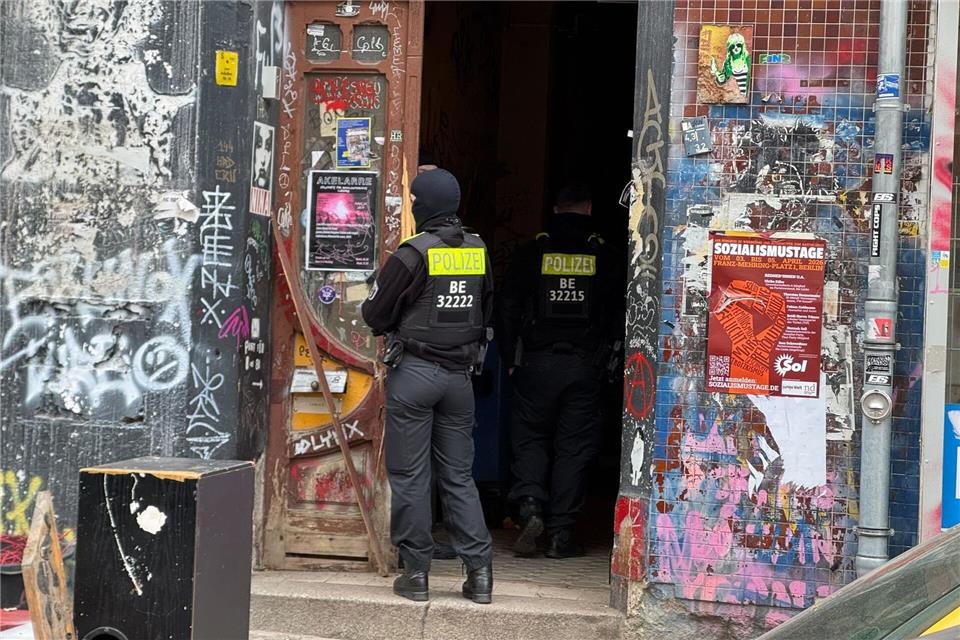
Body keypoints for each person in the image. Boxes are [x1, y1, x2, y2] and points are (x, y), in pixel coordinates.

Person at [361, 168, 494, 604]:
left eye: (415, 200)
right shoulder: (478, 249)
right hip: (459, 380)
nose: (413, 206)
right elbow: (486, 310)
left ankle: (416, 574)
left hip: (416, 375)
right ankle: (479, 575)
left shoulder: (413, 253)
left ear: (425, 206)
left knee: (411, 475)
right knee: (458, 475)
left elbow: (376, 315)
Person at [498, 183, 619, 558]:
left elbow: (507, 307)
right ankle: (561, 535)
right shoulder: (607, 255)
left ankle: (530, 506)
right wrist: (611, 364)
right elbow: (620, 313)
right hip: (584, 367)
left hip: (535, 364)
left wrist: (510, 361)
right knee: (574, 449)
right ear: (589, 207)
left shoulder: (533, 252)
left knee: (530, 439)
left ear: (554, 208)